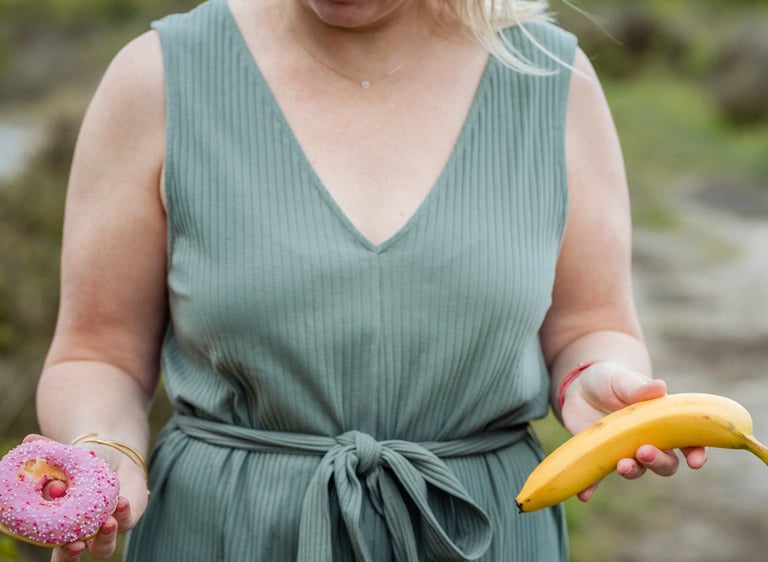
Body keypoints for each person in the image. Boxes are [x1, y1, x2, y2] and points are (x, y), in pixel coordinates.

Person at [33, 0, 707, 560]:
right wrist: (104, 448)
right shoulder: (157, 78)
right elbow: (98, 352)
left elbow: (594, 322)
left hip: (485, 530)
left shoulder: (552, 78)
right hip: (223, 533)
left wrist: (590, 378)